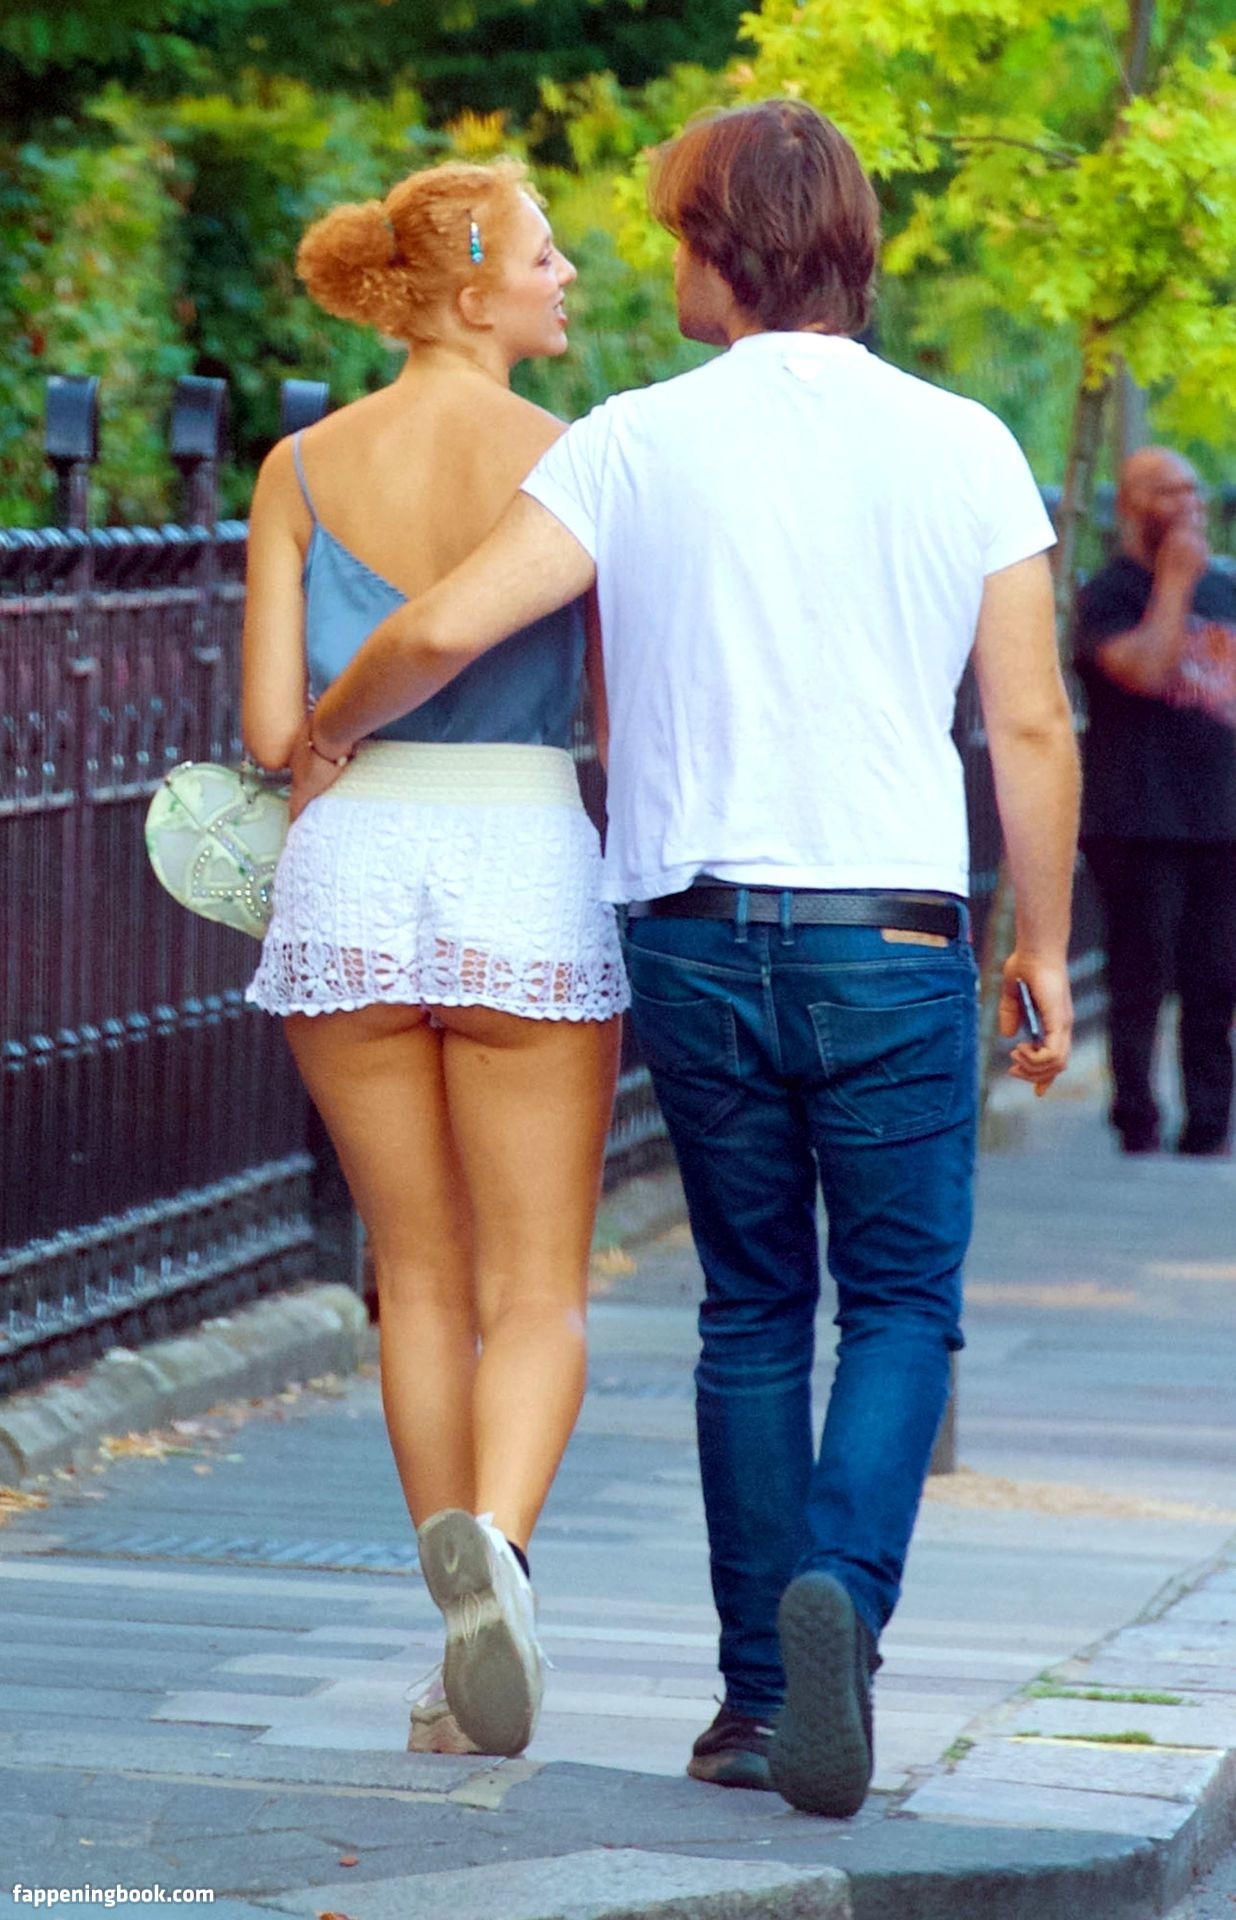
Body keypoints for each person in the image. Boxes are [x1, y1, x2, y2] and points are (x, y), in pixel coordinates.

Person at [293, 100, 1080, 1818]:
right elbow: (1028, 721)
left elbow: (445, 625)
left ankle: (750, 1704)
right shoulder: (966, 443)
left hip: (698, 934)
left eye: (671, 233)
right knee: (900, 1306)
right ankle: (840, 1596)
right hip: (893, 934)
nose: (656, 263)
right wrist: (1045, 944)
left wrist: (326, 733)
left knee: (752, 1307)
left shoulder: (632, 440)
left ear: (724, 249)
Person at [241, 157, 627, 1761]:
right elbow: (617, 710)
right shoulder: (579, 459)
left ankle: (452, 1637)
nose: (566, 278)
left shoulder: (299, 467)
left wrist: (337, 737)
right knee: (537, 1286)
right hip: (519, 855)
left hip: (349, 868)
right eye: (545, 257)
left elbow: (275, 729)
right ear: (473, 288)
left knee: (416, 1280)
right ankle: (504, 1570)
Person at [1073, 448, 1236, 1158]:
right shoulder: (1109, 594)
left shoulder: (1223, 590)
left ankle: (1209, 1124)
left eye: (1193, 490)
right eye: (1170, 492)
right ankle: (1135, 1119)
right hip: (1138, 820)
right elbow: (1141, 670)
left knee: (1216, 979)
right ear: (1131, 505)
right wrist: (1172, 583)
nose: (1189, 504)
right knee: (1140, 976)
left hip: (1220, 819)